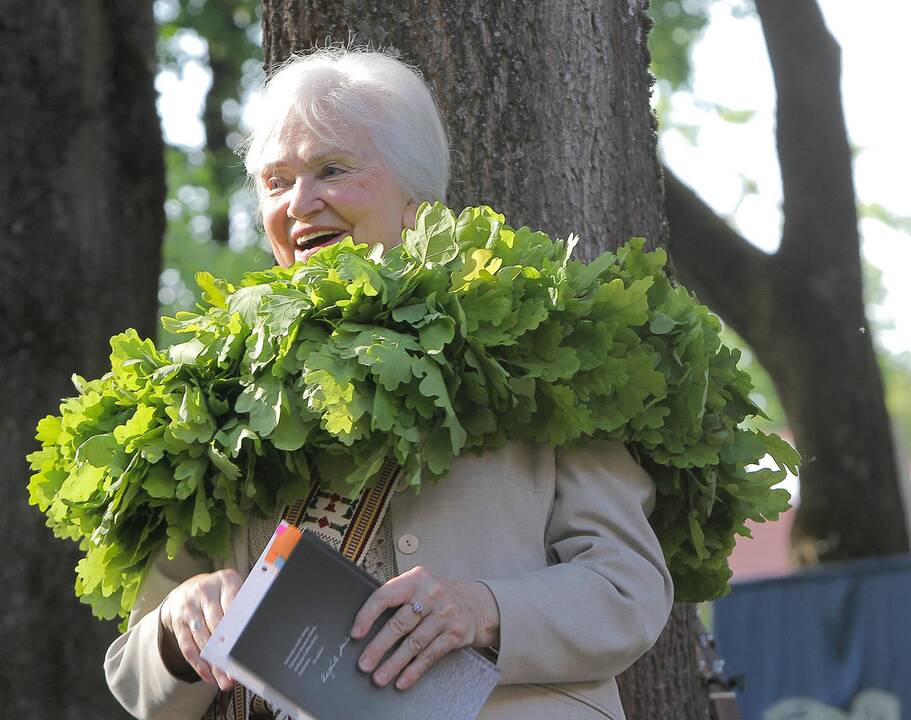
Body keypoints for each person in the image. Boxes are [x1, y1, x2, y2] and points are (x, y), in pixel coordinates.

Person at [104, 48, 673, 720]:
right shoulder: (219, 397)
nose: (301, 204)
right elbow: (134, 676)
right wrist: (177, 625)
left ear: (417, 199)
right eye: (276, 181)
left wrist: (482, 609)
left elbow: (628, 587)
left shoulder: (542, 355)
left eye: (332, 170)